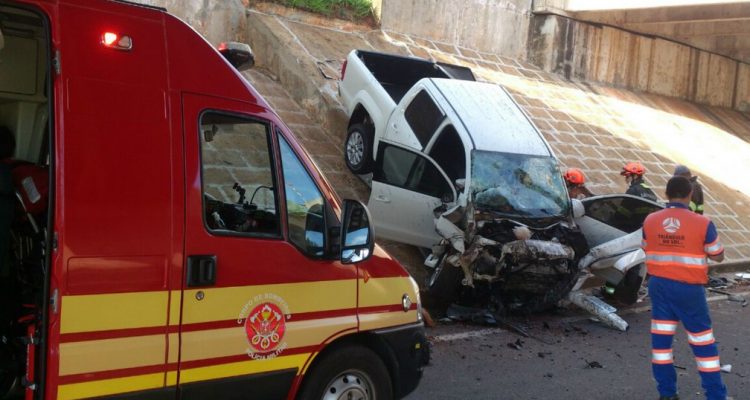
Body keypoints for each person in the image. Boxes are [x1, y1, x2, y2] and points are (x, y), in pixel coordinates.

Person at [642, 176, 727, 400]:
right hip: (689, 290)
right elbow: (717, 255)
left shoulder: (650, 220)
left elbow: (646, 247)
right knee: (703, 343)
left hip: (659, 287)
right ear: (690, 195)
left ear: (666, 194)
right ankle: (716, 396)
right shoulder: (703, 223)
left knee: (661, 346)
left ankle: (667, 394)